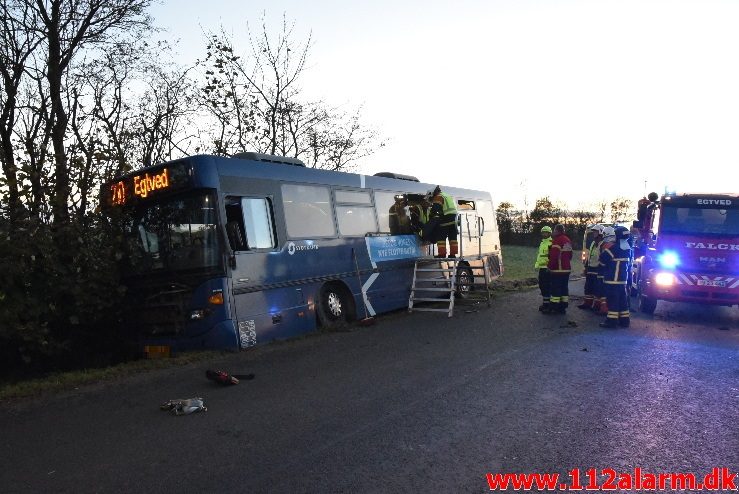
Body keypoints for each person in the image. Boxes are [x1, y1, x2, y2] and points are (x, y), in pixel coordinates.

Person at [598, 225, 632, 328]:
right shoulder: (628, 248)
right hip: (622, 280)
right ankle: (624, 320)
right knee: (622, 301)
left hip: (612, 280)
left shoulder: (614, 248)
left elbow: (603, 260)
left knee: (612, 300)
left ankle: (611, 321)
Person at [545, 224, 572, 314]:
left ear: (557, 231)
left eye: (554, 230)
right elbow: (570, 255)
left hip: (558, 269)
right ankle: (563, 306)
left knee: (555, 288)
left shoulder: (557, 241)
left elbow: (554, 256)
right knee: (564, 288)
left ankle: (554, 307)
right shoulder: (567, 240)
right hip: (567, 269)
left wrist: (549, 267)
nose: (553, 232)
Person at [425, 185, 458, 258]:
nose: (432, 199)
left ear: (433, 193)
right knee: (453, 238)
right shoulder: (446, 195)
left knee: (441, 238)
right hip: (454, 220)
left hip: (446, 220)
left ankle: (442, 254)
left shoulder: (438, 196)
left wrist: (431, 216)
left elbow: (435, 209)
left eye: (431, 197)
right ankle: (453, 255)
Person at [578, 225, 604, 310]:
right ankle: (587, 303)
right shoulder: (593, 243)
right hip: (591, 268)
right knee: (588, 287)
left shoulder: (602, 244)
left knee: (597, 288)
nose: (594, 233)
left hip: (598, 269)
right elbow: (589, 256)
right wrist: (586, 267)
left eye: (595, 232)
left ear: (600, 232)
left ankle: (596, 306)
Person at [594, 226, 615, 315]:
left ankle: (604, 309)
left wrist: (601, 265)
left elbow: (603, 259)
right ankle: (601, 307)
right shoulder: (613, 245)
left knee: (603, 291)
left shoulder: (606, 245)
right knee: (602, 291)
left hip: (603, 271)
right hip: (606, 272)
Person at [534, 225, 553, 312]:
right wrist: (536, 265)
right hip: (542, 268)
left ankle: (548, 304)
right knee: (542, 286)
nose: (543, 234)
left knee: (547, 286)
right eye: (543, 232)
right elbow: (539, 255)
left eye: (545, 232)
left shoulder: (551, 243)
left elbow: (552, 256)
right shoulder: (542, 243)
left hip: (548, 268)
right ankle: (545, 303)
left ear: (549, 233)